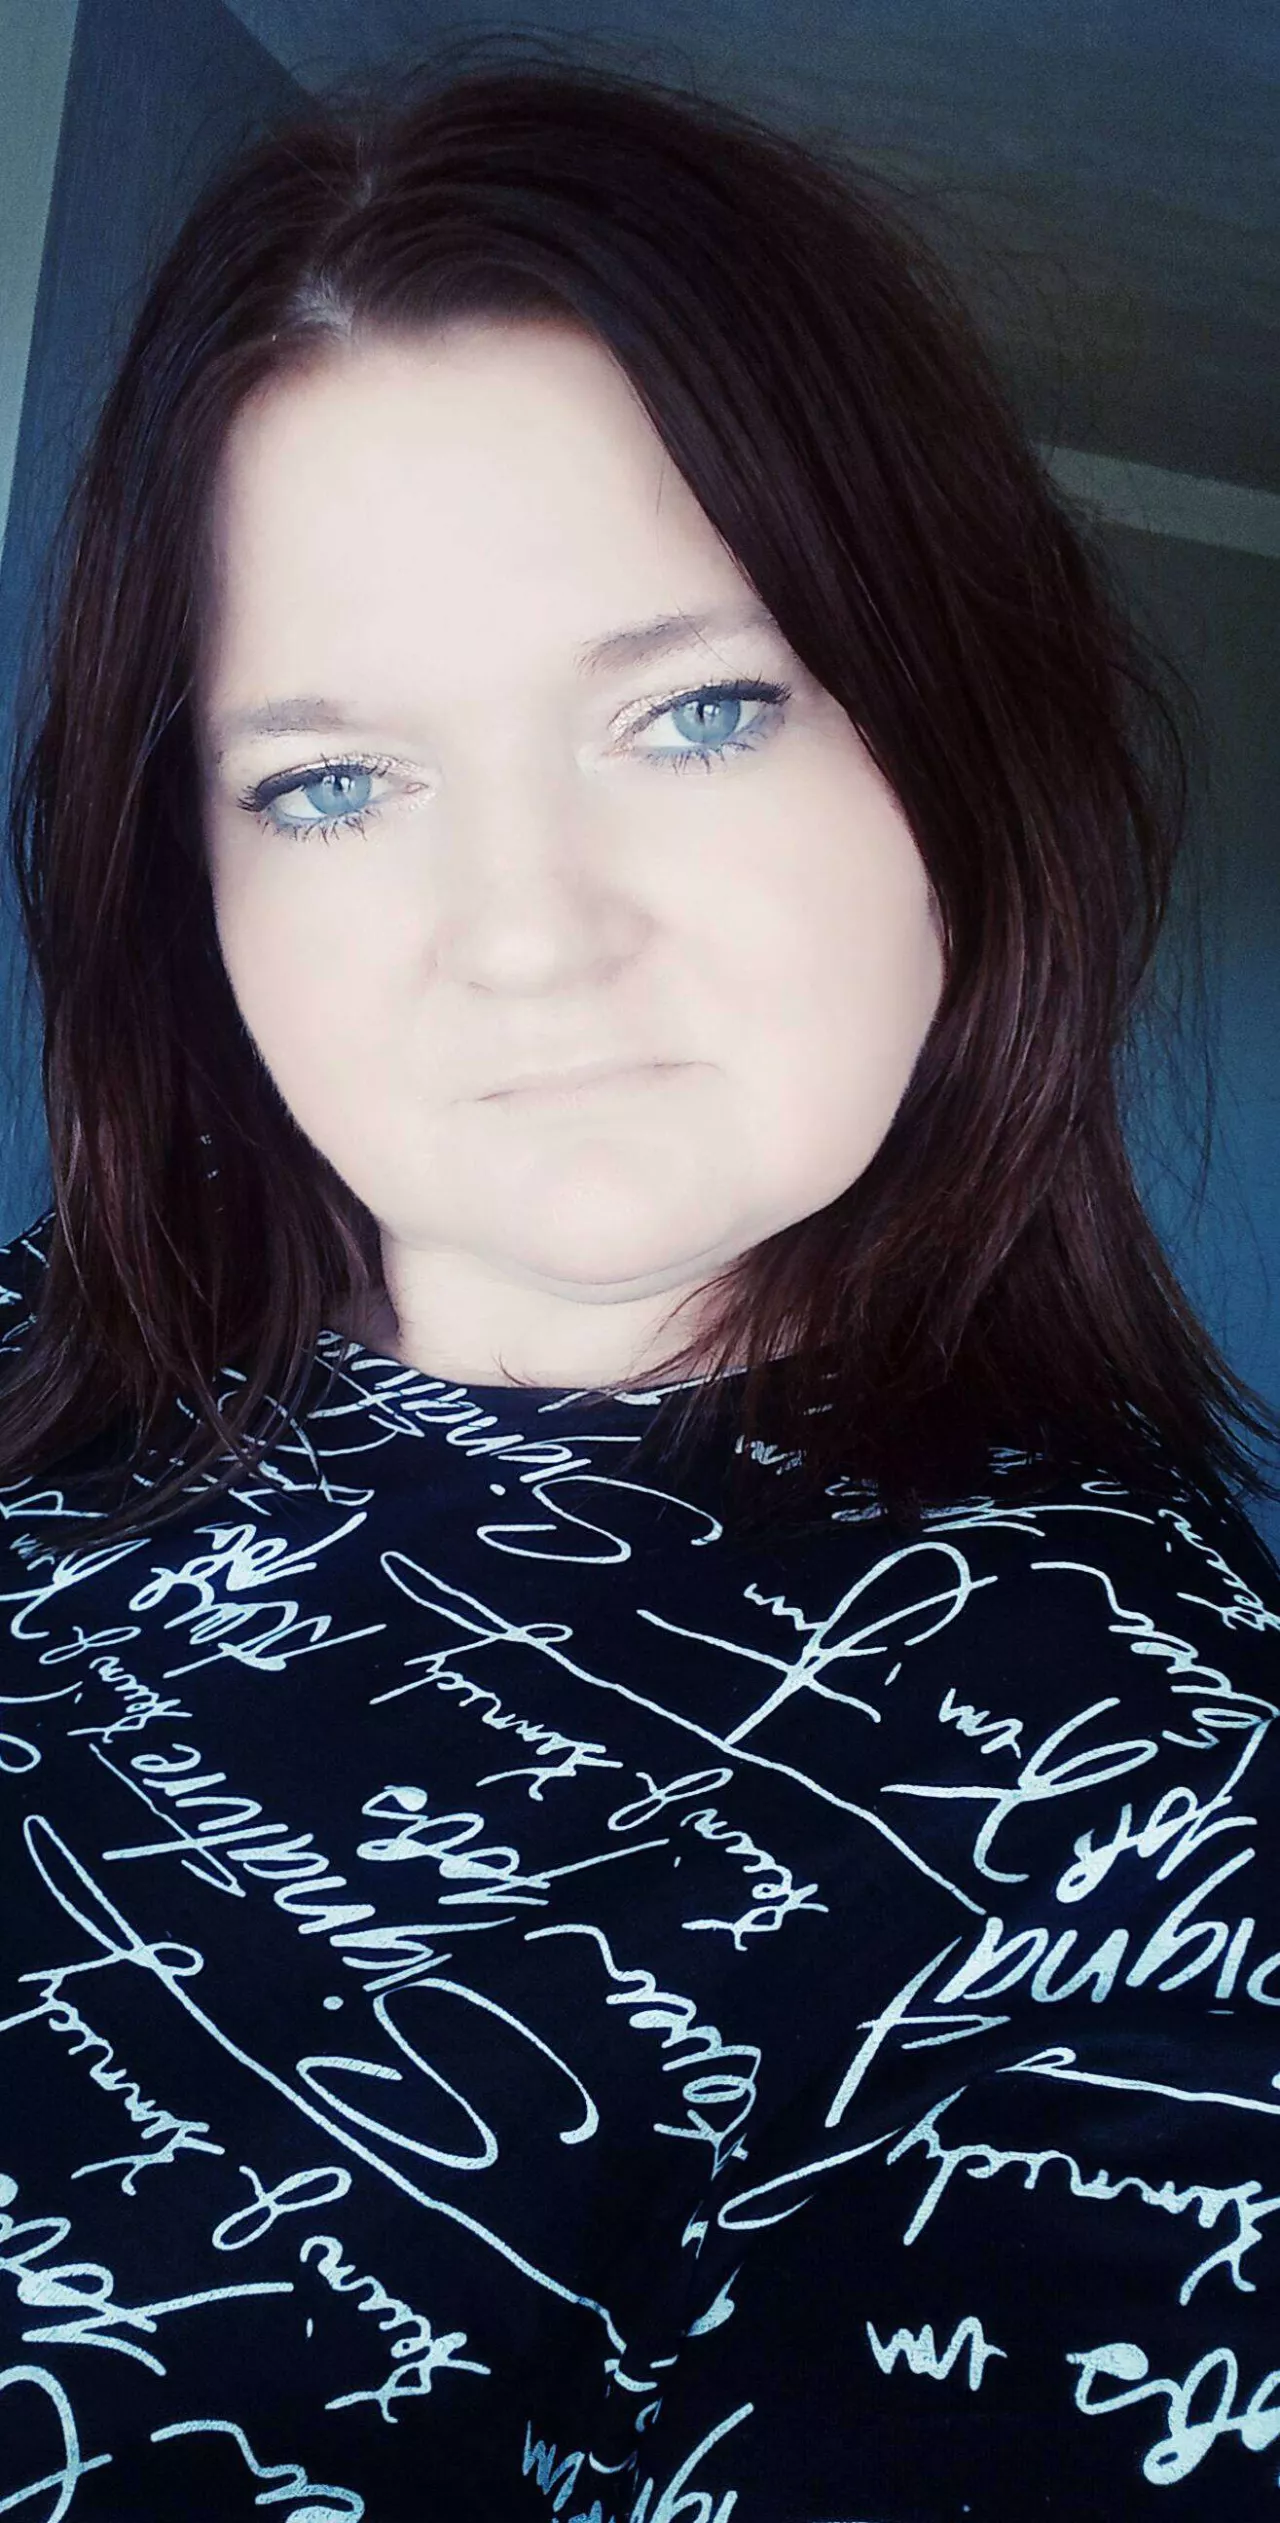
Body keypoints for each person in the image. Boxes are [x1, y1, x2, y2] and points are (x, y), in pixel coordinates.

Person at [2, 47, 1279, 2523]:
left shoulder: (1160, 1820)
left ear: (960, 746)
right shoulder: (54, 1331)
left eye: (695, 711)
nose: (526, 937)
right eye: (330, 781)